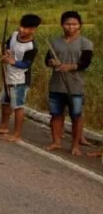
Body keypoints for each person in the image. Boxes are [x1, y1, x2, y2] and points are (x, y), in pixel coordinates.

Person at [45, 11, 94, 156]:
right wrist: (52, 62)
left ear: (79, 26)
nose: (71, 27)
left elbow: (85, 63)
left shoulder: (86, 43)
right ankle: (56, 142)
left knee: (76, 116)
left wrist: (69, 67)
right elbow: (47, 60)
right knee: (56, 115)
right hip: (56, 85)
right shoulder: (55, 42)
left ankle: (75, 145)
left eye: (74, 24)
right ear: (62, 25)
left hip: (75, 86)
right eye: (67, 24)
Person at [0, 14, 40, 142]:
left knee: (18, 106)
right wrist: (6, 52)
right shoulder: (14, 35)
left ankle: (16, 134)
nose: (22, 30)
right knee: (5, 102)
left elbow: (27, 64)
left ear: (33, 29)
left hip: (20, 80)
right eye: (21, 26)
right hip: (8, 75)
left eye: (27, 28)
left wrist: (13, 61)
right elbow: (7, 45)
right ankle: (3, 126)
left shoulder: (32, 46)